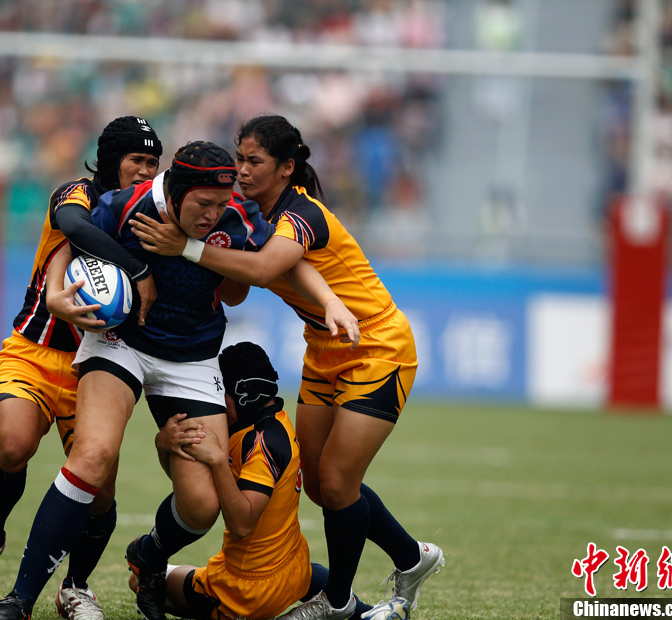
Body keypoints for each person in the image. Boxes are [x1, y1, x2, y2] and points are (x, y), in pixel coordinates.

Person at [0, 141, 358, 620]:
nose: (213, 215)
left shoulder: (237, 215)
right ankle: (20, 600)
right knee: (92, 458)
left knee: (201, 505)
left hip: (192, 358)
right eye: (203, 204)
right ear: (175, 192)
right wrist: (56, 294)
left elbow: (285, 260)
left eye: (220, 204)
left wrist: (329, 301)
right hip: (122, 340)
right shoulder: (127, 206)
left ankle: (149, 555)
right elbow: (69, 240)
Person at [130, 115, 445, 620]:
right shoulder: (248, 214)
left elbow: (262, 269)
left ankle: (337, 601)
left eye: (254, 161)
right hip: (323, 349)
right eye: (239, 159)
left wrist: (184, 247)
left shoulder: (302, 214)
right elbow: (239, 285)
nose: (242, 170)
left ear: (286, 168)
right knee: (319, 486)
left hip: (376, 346)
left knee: (337, 483)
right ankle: (412, 558)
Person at [0, 116, 163, 620]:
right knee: (13, 445)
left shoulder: (150, 217)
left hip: (99, 367)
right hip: (35, 350)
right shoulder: (76, 195)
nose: (145, 171)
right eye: (137, 160)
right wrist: (136, 269)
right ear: (110, 160)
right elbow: (73, 228)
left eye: (153, 163)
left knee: (100, 492)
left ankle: (76, 587)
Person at [132, 341, 410, 620]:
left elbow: (241, 525)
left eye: (220, 393)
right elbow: (195, 488)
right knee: (311, 573)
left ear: (242, 395)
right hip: (295, 568)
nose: (218, 403)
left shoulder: (260, 444)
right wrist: (164, 446)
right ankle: (366, 614)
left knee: (137, 581)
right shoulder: (277, 421)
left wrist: (217, 462)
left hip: (244, 591)